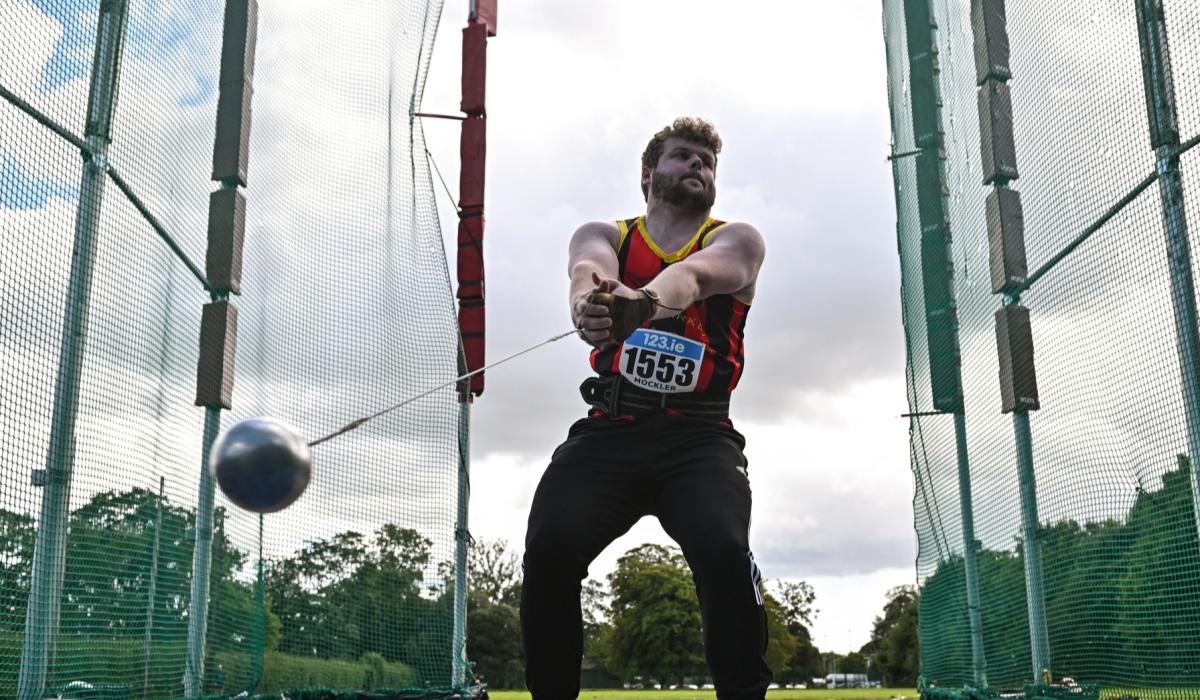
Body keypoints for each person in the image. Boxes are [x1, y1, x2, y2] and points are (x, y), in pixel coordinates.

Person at [520, 117, 770, 699]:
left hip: (699, 438)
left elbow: (700, 276)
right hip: (612, 429)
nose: (698, 168)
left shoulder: (735, 238)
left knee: (723, 547)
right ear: (647, 173)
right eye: (683, 157)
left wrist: (648, 301)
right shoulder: (606, 233)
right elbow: (586, 268)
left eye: (707, 162)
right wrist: (589, 304)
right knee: (549, 544)